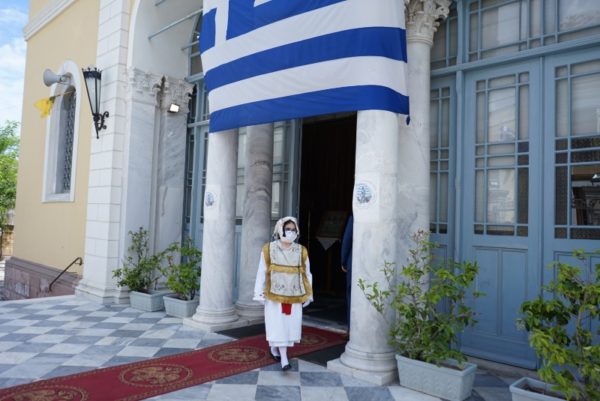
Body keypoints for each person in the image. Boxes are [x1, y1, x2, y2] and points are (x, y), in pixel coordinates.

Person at [253, 216, 313, 371]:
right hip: (274, 296)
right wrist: (258, 292)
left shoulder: (301, 251)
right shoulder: (269, 249)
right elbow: (262, 271)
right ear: (280, 230)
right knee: (277, 326)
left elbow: (307, 274)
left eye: (293, 229)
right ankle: (284, 359)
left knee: (289, 326)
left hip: (294, 296)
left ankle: (274, 349)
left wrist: (309, 294)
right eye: (288, 229)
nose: (291, 232)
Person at [340, 214, 353, 330]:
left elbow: (347, 240)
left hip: (353, 262)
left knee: (352, 296)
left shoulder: (354, 217)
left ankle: (351, 330)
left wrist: (344, 261)